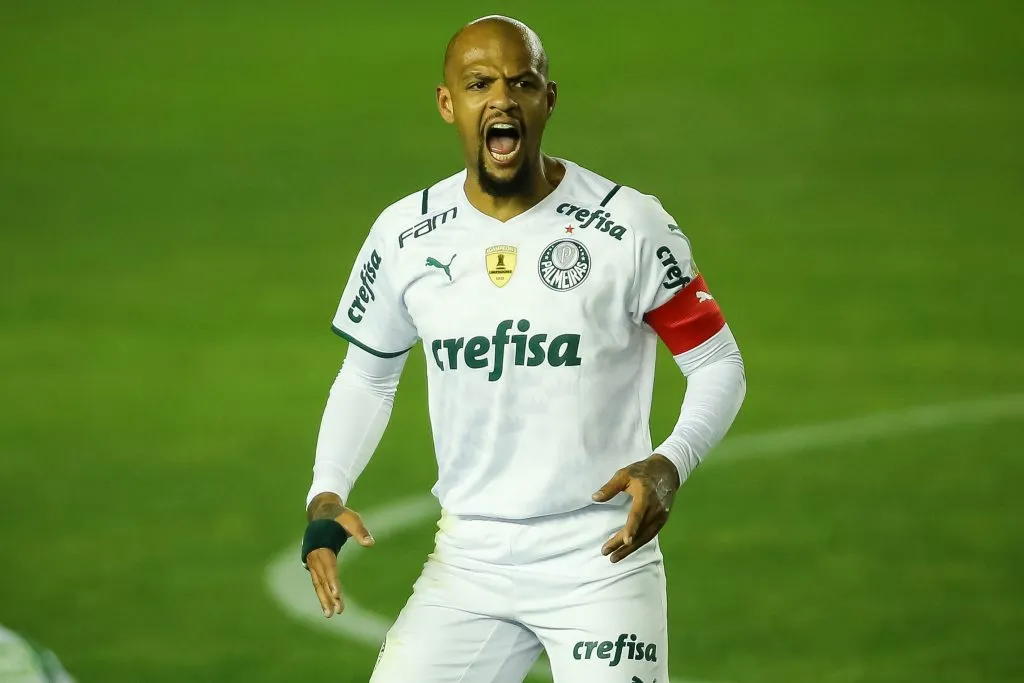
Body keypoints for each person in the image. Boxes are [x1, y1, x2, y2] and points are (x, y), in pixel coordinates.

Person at [300, 15, 746, 683]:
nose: (501, 99)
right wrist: (325, 493)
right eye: (479, 84)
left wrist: (669, 463)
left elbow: (717, 365)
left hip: (600, 559)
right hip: (470, 561)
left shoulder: (628, 226)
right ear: (448, 103)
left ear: (548, 99)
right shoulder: (405, 235)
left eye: (522, 82)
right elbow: (368, 375)